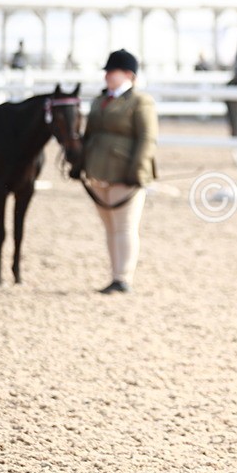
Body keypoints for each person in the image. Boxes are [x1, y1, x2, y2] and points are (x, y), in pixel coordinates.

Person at [77, 49, 158, 294]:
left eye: (113, 71)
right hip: (98, 172)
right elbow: (88, 135)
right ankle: (115, 275)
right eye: (108, 71)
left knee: (124, 226)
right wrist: (80, 164)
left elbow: (147, 138)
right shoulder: (99, 101)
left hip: (125, 174)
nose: (107, 76)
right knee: (110, 226)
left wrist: (137, 171)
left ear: (128, 75)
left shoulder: (140, 101)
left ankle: (123, 278)